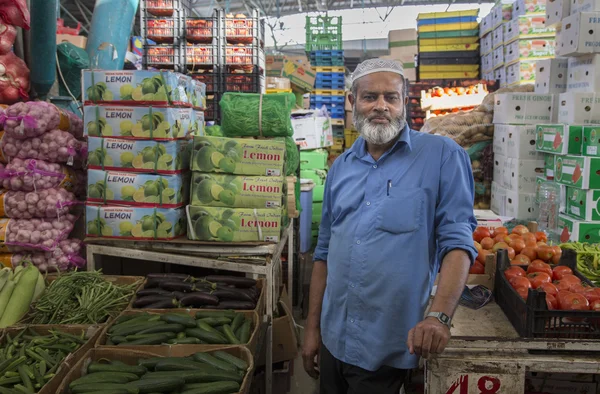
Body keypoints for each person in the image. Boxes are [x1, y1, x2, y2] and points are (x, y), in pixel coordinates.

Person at [302, 58, 477, 394]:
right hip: (334, 338)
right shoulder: (340, 168)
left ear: (404, 104)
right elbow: (323, 254)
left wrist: (439, 316)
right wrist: (312, 329)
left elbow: (457, 241)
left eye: (390, 97)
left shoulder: (442, 155)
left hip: (389, 346)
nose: (380, 106)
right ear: (352, 102)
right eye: (369, 97)